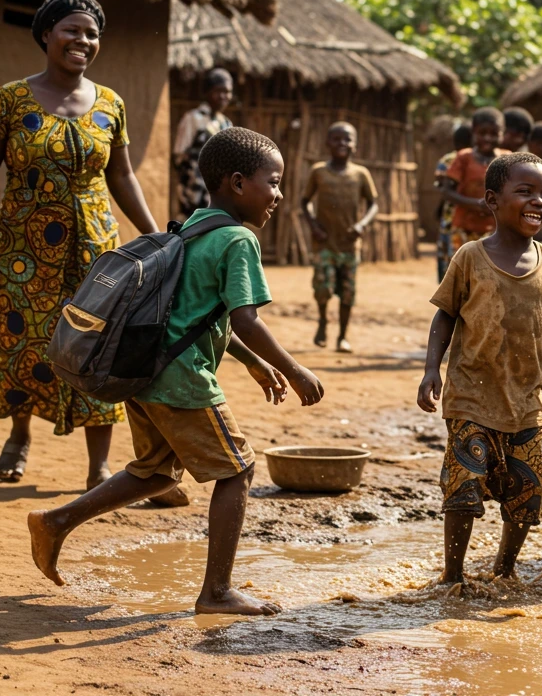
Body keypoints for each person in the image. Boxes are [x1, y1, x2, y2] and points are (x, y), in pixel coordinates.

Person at [27, 127, 326, 615]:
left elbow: (196, 315)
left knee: (155, 474)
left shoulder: (193, 228)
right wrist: (293, 370)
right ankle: (216, 593)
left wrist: (252, 364)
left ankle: (56, 521)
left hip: (147, 373)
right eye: (272, 182)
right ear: (236, 183)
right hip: (182, 380)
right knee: (238, 471)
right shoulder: (237, 239)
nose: (279, 194)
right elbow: (245, 318)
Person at [0, 0, 166, 493]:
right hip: (22, 249)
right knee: (24, 342)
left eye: (91, 34)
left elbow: (123, 176)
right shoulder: (11, 99)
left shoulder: (111, 104)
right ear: (46, 35)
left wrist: (153, 237)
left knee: (102, 344)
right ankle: (19, 436)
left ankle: (99, 464)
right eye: (71, 30)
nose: (82, 41)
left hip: (97, 250)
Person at [417, 152, 542, 586]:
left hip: (525, 405)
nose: (539, 202)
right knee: (463, 489)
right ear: (492, 200)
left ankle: (505, 569)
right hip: (471, 398)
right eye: (526, 191)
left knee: (528, 494)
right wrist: (431, 369)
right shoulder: (470, 257)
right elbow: (446, 315)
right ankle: (452, 576)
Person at [301, 121, 379, 353]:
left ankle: (343, 337)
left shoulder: (360, 174)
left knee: (348, 293)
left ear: (355, 145)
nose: (342, 143)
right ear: (328, 143)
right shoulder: (318, 172)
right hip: (324, 243)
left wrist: (362, 224)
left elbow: (373, 203)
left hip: (349, 245)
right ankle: (323, 322)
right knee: (322, 288)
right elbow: (304, 202)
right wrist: (313, 225)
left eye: (347, 139)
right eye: (336, 139)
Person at [438, 107, 507, 252]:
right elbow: (446, 192)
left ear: (502, 133)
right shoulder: (464, 157)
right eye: (482, 133)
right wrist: (476, 204)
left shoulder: (507, 159)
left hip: (496, 232)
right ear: (473, 132)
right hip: (464, 229)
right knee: (463, 272)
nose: (487, 138)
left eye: (494, 133)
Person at [173, 68, 234, 221]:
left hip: (218, 197)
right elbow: (178, 156)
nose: (223, 96)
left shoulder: (226, 124)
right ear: (207, 92)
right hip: (193, 194)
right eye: (218, 91)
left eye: (227, 92)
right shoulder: (193, 119)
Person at [435, 120, 472, 282]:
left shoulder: (446, 160)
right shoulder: (474, 160)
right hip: (470, 219)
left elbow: (440, 187)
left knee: (448, 259)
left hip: (449, 219)